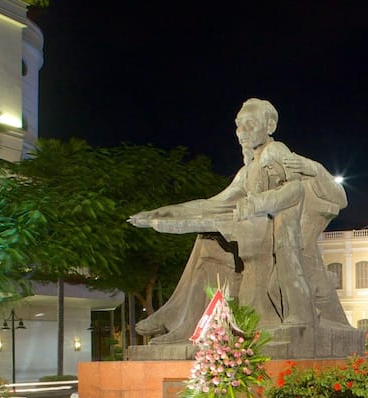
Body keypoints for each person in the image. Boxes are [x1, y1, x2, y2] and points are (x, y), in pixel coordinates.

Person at [130, 98, 347, 343]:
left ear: (270, 126)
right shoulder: (247, 171)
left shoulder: (274, 151)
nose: (241, 132)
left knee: (209, 242)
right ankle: (184, 325)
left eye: (250, 124)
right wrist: (167, 211)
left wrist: (257, 203)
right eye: (238, 125)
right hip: (254, 234)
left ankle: (176, 320)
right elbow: (214, 202)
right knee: (207, 244)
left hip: (273, 236)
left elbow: (294, 191)